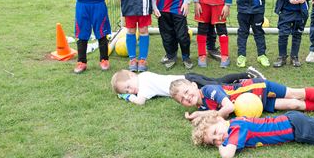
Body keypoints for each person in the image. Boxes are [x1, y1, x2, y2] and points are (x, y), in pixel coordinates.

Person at [169, 77, 314, 119]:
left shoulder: (209, 90)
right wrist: (197, 116)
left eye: (187, 91)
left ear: (194, 85)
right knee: (295, 105)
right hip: (256, 104)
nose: (187, 97)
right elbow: (211, 111)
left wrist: (214, 116)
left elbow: (227, 108)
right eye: (183, 99)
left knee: (295, 93)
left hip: (258, 88)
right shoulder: (201, 107)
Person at [111, 66, 265, 106]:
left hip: (189, 85)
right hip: (188, 78)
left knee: (221, 86)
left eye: (129, 87)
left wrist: (128, 97)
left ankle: (250, 79)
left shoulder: (143, 84)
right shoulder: (144, 77)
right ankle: (246, 75)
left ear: (132, 76)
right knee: (217, 81)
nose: (132, 90)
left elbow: (140, 101)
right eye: (127, 90)